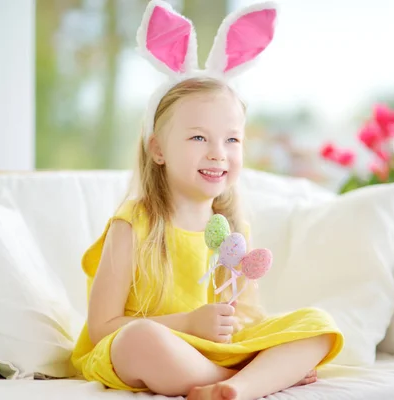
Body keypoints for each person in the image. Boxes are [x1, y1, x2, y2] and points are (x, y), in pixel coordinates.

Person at [71, 1, 344, 399]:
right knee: (140, 337)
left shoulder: (232, 229)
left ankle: (230, 386)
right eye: (199, 137)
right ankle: (245, 379)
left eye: (232, 139)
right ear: (158, 149)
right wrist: (188, 324)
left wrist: (241, 334)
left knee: (318, 326)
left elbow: (247, 316)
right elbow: (102, 328)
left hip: (209, 350)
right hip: (149, 348)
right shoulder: (133, 223)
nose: (218, 152)